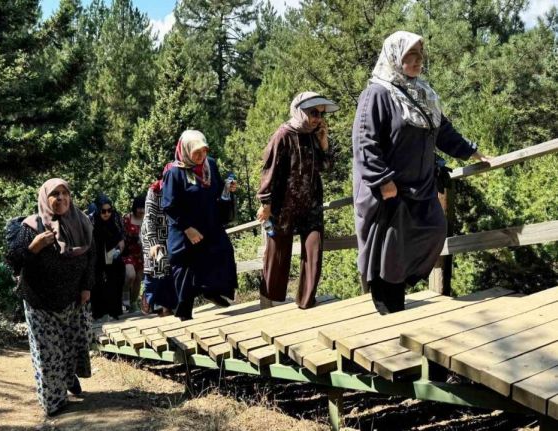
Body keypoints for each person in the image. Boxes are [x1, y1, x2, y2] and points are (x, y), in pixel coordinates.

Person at [352, 31, 490, 315]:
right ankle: (388, 317)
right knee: (389, 253)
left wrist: (471, 151)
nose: (417, 62)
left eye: (419, 55)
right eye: (410, 56)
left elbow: (443, 130)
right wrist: (382, 181)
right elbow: (365, 142)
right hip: (390, 191)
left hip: (421, 187)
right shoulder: (376, 94)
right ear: (394, 58)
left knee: (434, 228)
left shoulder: (422, 93)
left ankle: (396, 302)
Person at [5, 178, 95, 416]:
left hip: (73, 300)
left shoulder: (83, 222)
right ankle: (53, 401)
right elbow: (13, 262)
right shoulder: (31, 227)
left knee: (70, 348)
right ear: (45, 198)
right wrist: (33, 247)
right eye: (55, 194)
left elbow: (91, 259)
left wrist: (86, 287)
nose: (61, 198)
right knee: (48, 354)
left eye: (65, 193)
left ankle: (68, 379)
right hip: (40, 302)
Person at [256, 91, 339, 310]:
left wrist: (324, 142)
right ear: (300, 111)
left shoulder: (314, 134)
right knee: (277, 251)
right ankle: (272, 298)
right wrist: (266, 203)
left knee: (314, 250)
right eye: (313, 112)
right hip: (285, 205)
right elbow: (269, 170)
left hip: (311, 203)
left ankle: (306, 301)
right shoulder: (283, 134)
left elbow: (326, 167)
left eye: (321, 114)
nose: (318, 118)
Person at [162, 130, 238, 320]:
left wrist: (227, 188)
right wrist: (187, 228)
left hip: (209, 224)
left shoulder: (209, 165)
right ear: (185, 150)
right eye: (196, 152)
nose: (201, 156)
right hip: (184, 230)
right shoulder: (174, 172)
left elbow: (217, 187)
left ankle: (212, 291)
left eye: (204, 151)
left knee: (223, 252)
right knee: (186, 269)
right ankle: (184, 314)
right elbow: (169, 205)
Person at [140, 162, 178, 316]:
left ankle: (167, 307)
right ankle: (147, 299)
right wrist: (153, 243)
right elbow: (149, 219)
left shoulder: (179, 190)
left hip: (170, 235)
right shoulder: (154, 191)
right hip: (152, 234)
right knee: (154, 269)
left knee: (169, 271)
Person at [88, 195, 126, 321]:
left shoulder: (115, 217)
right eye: (103, 211)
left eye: (109, 210)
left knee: (115, 281)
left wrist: (120, 247)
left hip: (112, 250)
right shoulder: (91, 219)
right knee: (97, 283)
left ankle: (115, 311)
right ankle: (98, 313)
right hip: (96, 252)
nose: (107, 214)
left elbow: (121, 236)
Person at [122, 196, 146, 312]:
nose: (141, 211)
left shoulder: (147, 219)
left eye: (143, 208)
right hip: (128, 253)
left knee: (138, 280)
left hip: (142, 254)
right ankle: (124, 299)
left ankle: (132, 303)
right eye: (139, 208)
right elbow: (121, 235)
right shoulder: (127, 218)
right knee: (130, 276)